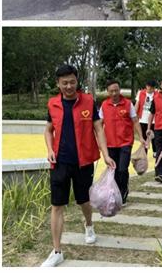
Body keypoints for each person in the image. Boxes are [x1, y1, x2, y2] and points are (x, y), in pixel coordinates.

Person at [42, 64, 116, 267]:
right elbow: (48, 130)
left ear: (77, 81)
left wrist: (106, 154)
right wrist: (49, 149)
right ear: (58, 83)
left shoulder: (88, 101)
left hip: (83, 162)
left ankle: (89, 225)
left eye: (72, 82)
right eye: (64, 83)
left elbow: (98, 129)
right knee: (57, 205)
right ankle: (57, 251)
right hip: (59, 163)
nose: (68, 86)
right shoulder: (53, 104)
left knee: (83, 200)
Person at [99, 80, 146, 205]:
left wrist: (141, 137)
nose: (114, 93)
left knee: (122, 169)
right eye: (111, 91)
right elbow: (99, 125)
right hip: (110, 144)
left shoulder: (128, 104)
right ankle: (115, 193)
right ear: (107, 92)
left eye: (116, 90)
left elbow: (135, 121)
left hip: (125, 142)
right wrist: (98, 141)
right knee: (112, 170)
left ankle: (123, 191)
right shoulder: (104, 105)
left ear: (119, 90)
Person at [135, 80, 158, 154]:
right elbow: (137, 104)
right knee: (144, 137)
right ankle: (144, 153)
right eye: (148, 87)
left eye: (151, 88)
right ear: (146, 86)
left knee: (154, 137)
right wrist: (134, 115)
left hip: (154, 120)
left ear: (154, 88)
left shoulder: (157, 94)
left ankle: (155, 152)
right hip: (142, 119)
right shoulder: (140, 93)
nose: (149, 89)